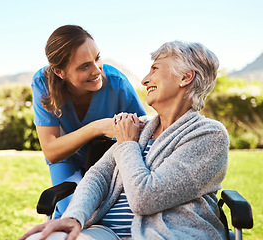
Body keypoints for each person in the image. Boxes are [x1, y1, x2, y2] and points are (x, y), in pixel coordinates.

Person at [20, 40, 230, 240]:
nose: (144, 80)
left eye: (155, 69)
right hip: (107, 232)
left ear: (185, 77)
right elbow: (99, 175)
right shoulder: (142, 127)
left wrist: (128, 144)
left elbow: (146, 199)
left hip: (167, 233)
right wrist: (73, 217)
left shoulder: (208, 134)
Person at [32, 25, 146, 218]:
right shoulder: (43, 84)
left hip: (109, 159)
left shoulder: (117, 83)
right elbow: (51, 151)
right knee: (70, 214)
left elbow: (145, 133)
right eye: (85, 66)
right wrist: (97, 127)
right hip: (67, 159)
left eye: (97, 58)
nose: (97, 71)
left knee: (106, 216)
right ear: (59, 72)